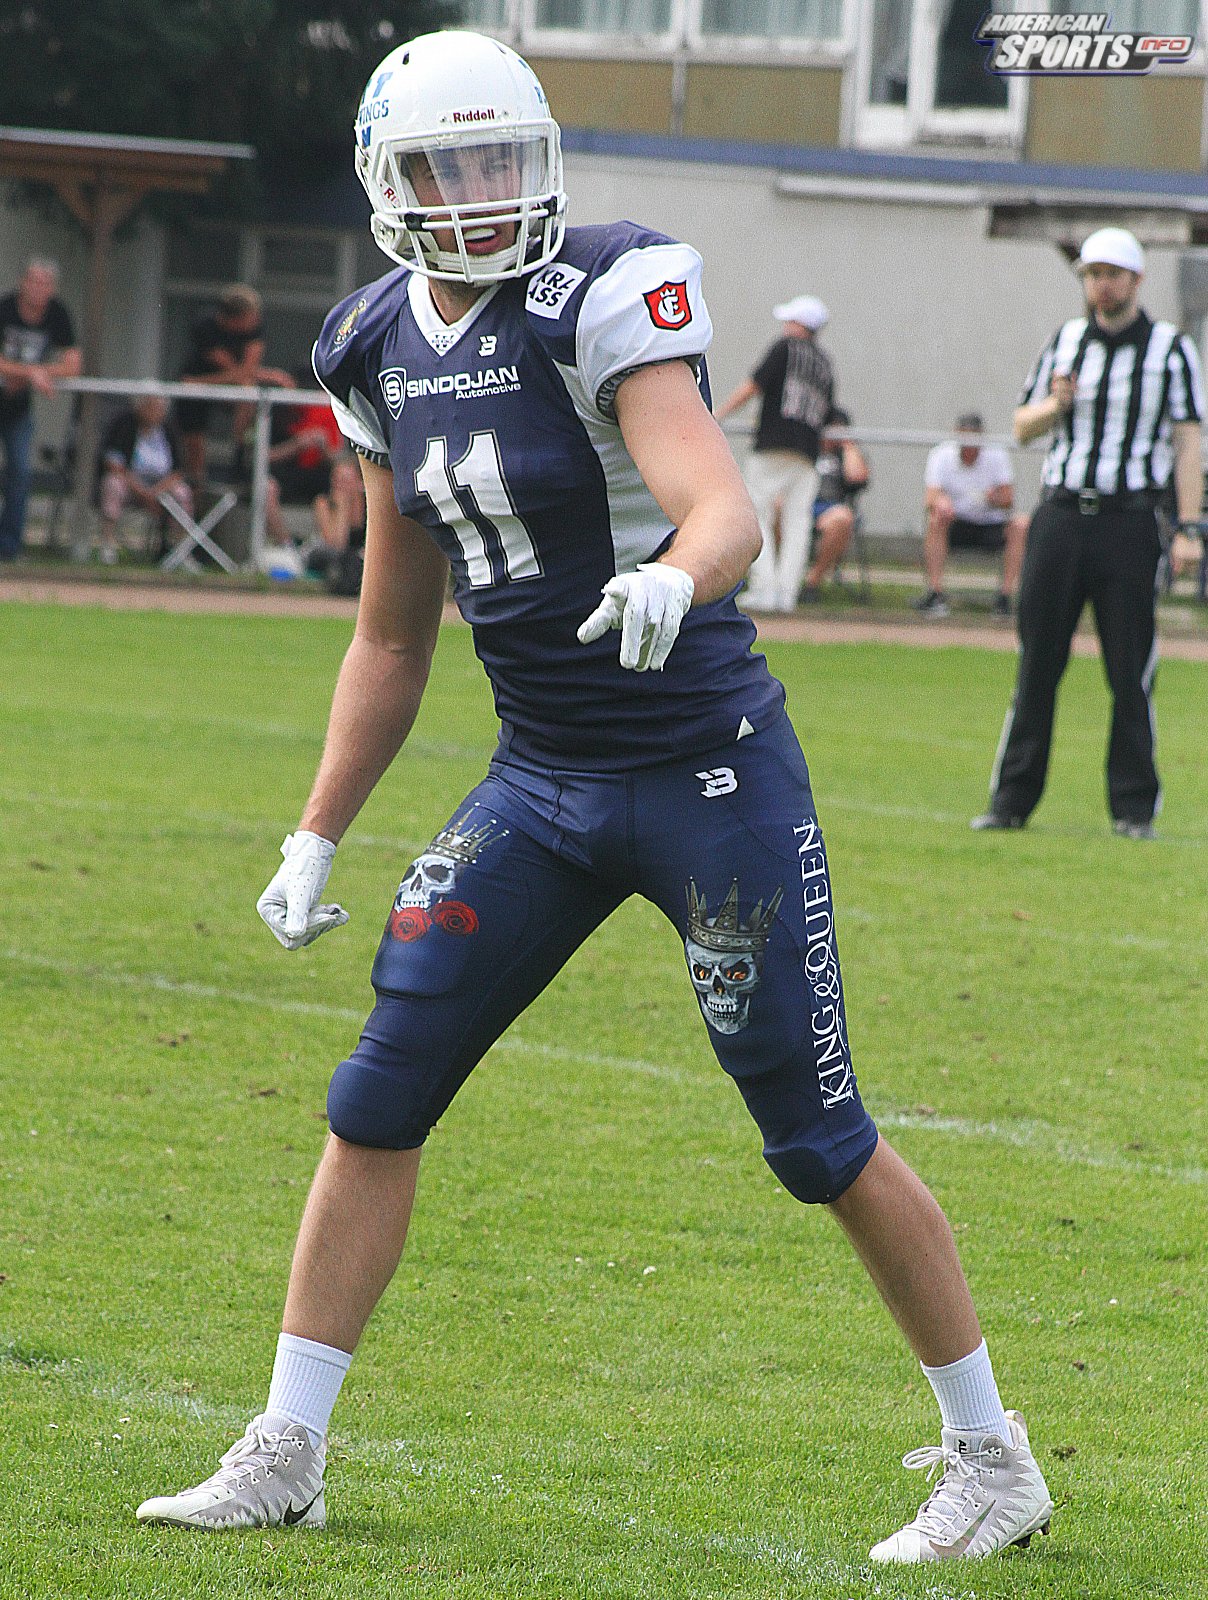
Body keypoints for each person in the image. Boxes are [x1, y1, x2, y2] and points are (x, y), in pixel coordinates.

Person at [135, 31, 1052, 1563]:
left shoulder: (601, 290)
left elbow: (721, 504)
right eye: (454, 167)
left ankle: (994, 1456)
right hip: (544, 783)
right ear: (391, 185)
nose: (488, 192)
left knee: (813, 1131)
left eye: (506, 157)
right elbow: (390, 634)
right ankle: (287, 1445)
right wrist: (314, 830)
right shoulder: (370, 344)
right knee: (381, 1084)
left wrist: (675, 577)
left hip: (707, 770)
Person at [973, 226, 1204, 839]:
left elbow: (1188, 443)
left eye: (1111, 274)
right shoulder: (1066, 341)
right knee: (1037, 663)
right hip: (1061, 516)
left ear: (1136, 280)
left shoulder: (1171, 350)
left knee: (1130, 670)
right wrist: (1056, 406)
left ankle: (1133, 809)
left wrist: (1188, 527)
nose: (1101, 285)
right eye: (1092, 274)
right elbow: (1021, 426)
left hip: (1130, 521)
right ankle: (1010, 801)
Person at [715, 294, 834, 613]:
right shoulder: (825, 364)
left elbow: (753, 386)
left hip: (772, 443)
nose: (785, 326)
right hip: (807, 452)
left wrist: (718, 415)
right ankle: (787, 593)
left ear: (800, 325)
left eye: (790, 320)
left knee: (757, 514)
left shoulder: (784, 348)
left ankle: (764, 588)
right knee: (798, 522)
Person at [0, 259, 82, 560]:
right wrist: (30, 373)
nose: (37, 288)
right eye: (32, 280)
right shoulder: (6, 309)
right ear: (22, 282)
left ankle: (9, 547)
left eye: (44, 283)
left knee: (21, 472)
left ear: (52, 289)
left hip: (18, 408)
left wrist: (35, 372)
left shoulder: (57, 314)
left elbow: (73, 365)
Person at [175, 285, 294, 483]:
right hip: (202, 380)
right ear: (235, 319)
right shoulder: (205, 326)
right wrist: (269, 375)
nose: (256, 321)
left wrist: (199, 382)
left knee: (247, 394)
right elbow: (229, 368)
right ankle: (196, 484)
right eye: (251, 317)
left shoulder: (255, 329)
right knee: (194, 442)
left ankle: (239, 458)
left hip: (212, 381)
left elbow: (246, 371)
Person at [915, 413, 1028, 618]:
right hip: (956, 523)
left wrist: (994, 498)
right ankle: (935, 594)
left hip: (990, 524)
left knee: (1021, 525)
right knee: (935, 520)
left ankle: (1005, 598)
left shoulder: (997, 455)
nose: (968, 448)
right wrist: (942, 502)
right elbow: (930, 499)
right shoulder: (941, 454)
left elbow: (1008, 500)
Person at [95, 394, 193, 564]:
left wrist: (156, 491)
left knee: (183, 492)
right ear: (139, 407)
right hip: (130, 483)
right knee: (113, 484)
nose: (156, 412)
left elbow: (178, 471)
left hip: (161, 486)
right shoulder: (124, 425)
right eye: (151, 407)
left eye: (160, 408)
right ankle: (108, 544)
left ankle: (181, 550)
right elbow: (114, 464)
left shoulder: (169, 429)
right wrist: (141, 491)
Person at [800, 406, 870, 603]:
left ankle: (812, 581)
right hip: (799, 504)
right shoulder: (805, 449)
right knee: (776, 508)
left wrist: (847, 445)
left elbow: (858, 477)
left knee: (843, 518)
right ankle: (783, 579)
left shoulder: (845, 455)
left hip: (830, 508)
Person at [307, 450, 366, 595]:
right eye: (336, 479)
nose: (339, 485)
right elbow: (337, 545)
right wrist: (342, 508)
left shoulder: (368, 505)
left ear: (359, 482)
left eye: (345, 480)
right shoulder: (323, 503)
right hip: (330, 557)